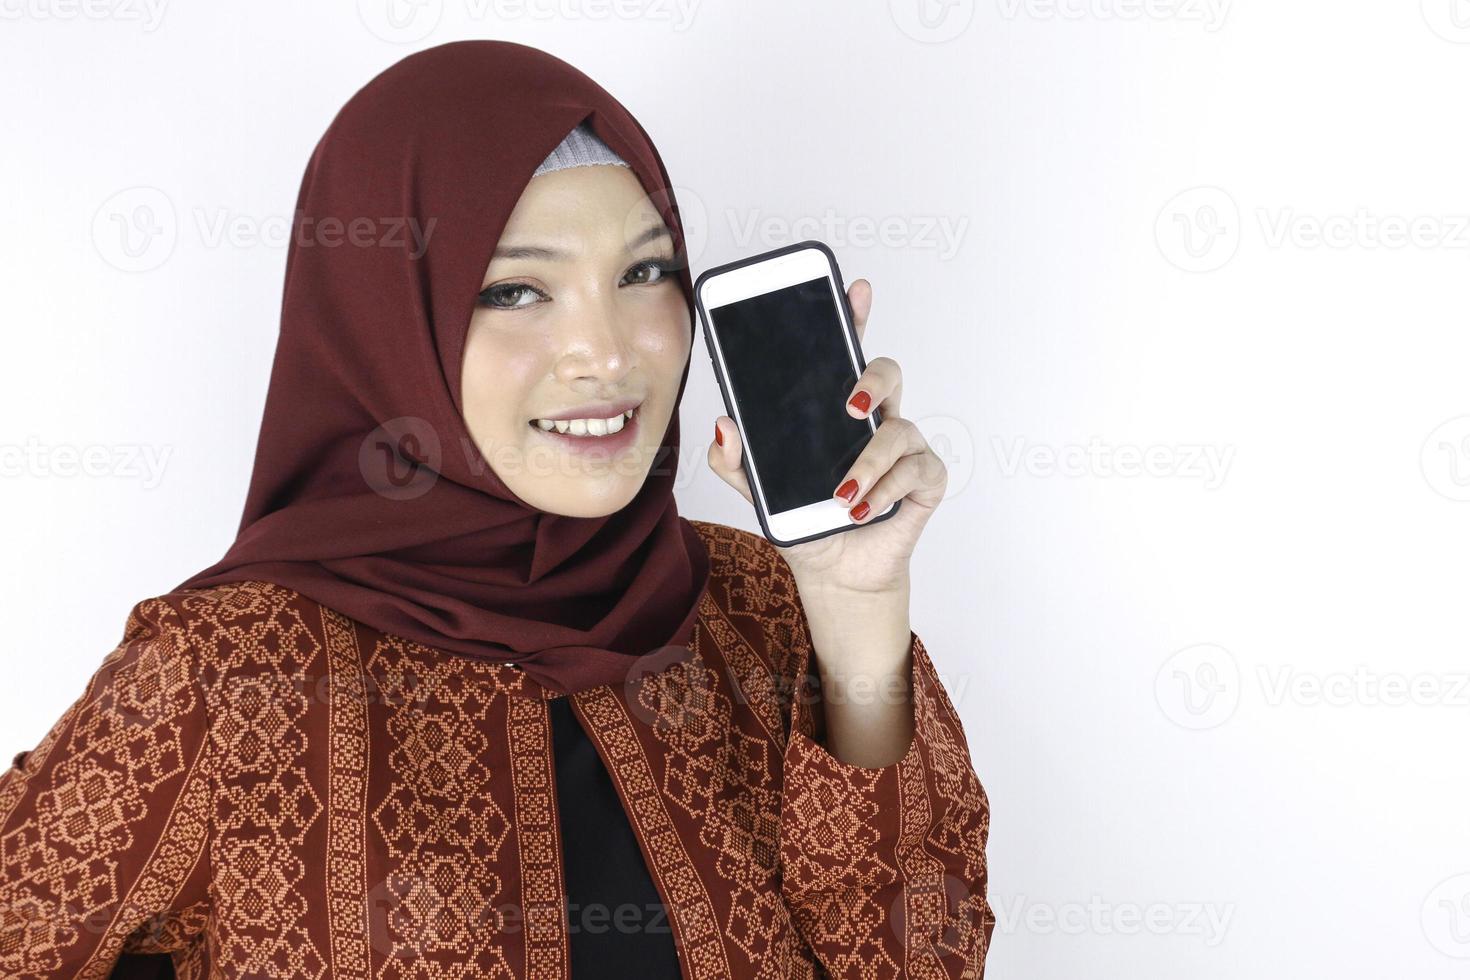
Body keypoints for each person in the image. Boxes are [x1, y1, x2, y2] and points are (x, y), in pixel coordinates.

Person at [0, 40, 993, 979]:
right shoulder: (222, 675)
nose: (607, 353)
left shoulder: (762, 607)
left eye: (645, 273)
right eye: (517, 289)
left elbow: (916, 960)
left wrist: (860, 612)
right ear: (386, 323)